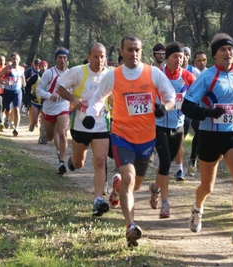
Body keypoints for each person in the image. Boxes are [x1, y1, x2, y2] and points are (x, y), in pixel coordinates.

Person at [83, 35, 175, 247]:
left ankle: (117, 188)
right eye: (130, 50)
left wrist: (165, 107)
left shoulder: (152, 73)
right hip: (121, 136)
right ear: (121, 52)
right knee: (129, 177)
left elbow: (170, 95)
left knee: (135, 185)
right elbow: (99, 97)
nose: (134, 54)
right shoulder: (114, 75)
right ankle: (130, 226)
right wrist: (91, 114)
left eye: (137, 49)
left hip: (147, 138)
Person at [181, 33, 233, 245]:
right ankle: (197, 208)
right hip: (210, 135)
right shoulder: (206, 77)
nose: (227, 53)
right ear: (215, 55)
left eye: (230, 49)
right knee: (207, 186)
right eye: (223, 50)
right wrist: (208, 113)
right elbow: (187, 106)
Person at [56, 43, 111, 217]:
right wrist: (73, 99)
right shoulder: (78, 71)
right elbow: (60, 88)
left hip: (101, 124)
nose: (99, 60)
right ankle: (72, 160)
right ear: (88, 57)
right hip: (80, 125)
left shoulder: (111, 75)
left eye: (102, 56)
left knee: (100, 161)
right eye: (95, 56)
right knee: (79, 163)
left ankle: (97, 200)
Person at [148, 41, 196, 218]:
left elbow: (197, 96)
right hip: (158, 126)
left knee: (165, 164)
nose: (179, 59)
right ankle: (165, 203)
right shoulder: (157, 74)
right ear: (166, 58)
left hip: (178, 126)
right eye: (175, 56)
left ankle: (155, 187)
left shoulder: (188, 77)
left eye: (181, 56)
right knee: (166, 162)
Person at [36, 47, 70, 174]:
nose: (62, 60)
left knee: (62, 133)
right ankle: (44, 132)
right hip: (49, 109)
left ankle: (62, 162)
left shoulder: (70, 73)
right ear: (55, 59)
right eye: (60, 57)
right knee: (50, 136)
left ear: (67, 60)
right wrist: (50, 96)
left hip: (63, 107)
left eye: (64, 58)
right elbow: (39, 90)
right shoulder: (49, 73)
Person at [175, 45, 200, 180]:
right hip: (172, 110)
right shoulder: (167, 72)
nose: (183, 57)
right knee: (176, 140)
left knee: (183, 137)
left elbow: (200, 89)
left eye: (185, 55)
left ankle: (187, 163)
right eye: (180, 55)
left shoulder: (193, 72)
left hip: (188, 110)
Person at [0, 52, 26, 137]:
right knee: (8, 110)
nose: (15, 60)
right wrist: (4, 83)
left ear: (19, 60)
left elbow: (22, 77)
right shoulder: (7, 69)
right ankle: (7, 119)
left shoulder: (21, 69)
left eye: (17, 59)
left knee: (16, 110)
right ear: (11, 60)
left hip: (17, 91)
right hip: (8, 91)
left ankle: (16, 128)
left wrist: (24, 85)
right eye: (13, 59)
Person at [26, 60, 48, 135]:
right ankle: (32, 123)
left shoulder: (49, 77)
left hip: (45, 101)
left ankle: (41, 135)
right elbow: (27, 86)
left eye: (45, 66)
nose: (43, 68)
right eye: (42, 66)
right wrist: (30, 95)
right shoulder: (35, 76)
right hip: (35, 101)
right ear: (39, 67)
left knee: (44, 120)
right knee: (35, 120)